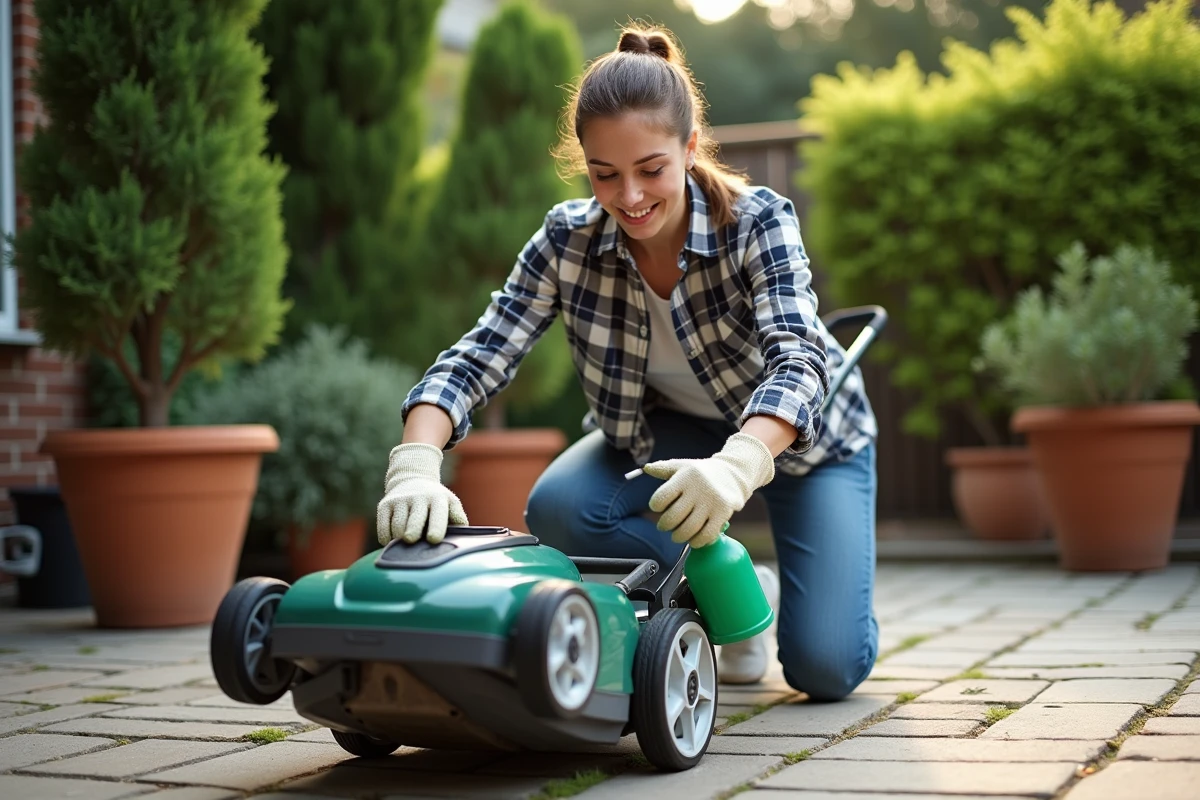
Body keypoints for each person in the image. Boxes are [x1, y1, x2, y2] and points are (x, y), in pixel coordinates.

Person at [377, 24, 879, 699]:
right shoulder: (567, 240)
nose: (631, 197)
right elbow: (479, 354)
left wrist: (735, 469)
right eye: (605, 174)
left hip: (805, 447)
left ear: (690, 147)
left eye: (651, 170)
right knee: (562, 506)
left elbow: (798, 364)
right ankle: (730, 588)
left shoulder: (757, 222)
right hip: (668, 435)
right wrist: (415, 464)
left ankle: (779, 595)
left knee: (826, 668)